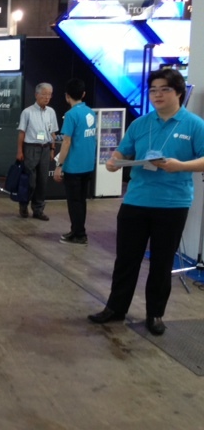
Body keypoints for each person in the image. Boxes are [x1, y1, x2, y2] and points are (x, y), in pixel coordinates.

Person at [88, 69, 204, 336]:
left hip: (172, 204)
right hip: (136, 201)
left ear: (178, 92)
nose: (157, 95)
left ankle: (155, 314)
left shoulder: (194, 125)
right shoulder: (140, 123)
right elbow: (122, 151)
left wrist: (181, 166)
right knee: (126, 259)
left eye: (164, 89)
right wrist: (114, 161)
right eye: (153, 90)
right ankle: (116, 308)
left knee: (162, 262)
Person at [53, 78, 96, 245]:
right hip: (88, 165)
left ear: (67, 96)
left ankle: (79, 234)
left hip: (74, 166)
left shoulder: (71, 115)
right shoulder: (90, 112)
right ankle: (78, 230)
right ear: (83, 94)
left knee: (74, 202)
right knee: (81, 201)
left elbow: (66, 142)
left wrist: (59, 165)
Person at [16, 83, 58, 220]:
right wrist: (19, 151)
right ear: (36, 95)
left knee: (42, 181)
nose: (47, 97)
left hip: (45, 148)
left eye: (49, 95)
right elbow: (21, 133)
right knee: (30, 181)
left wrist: (52, 149)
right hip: (30, 148)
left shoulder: (51, 112)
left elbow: (53, 133)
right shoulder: (27, 112)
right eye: (44, 94)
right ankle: (23, 205)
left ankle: (38, 209)